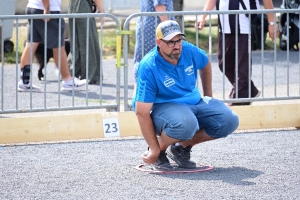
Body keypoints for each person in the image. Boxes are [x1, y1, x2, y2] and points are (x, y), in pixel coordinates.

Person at [132, 20, 239, 170]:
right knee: (187, 124)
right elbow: (141, 112)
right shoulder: (149, 66)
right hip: (162, 107)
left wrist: (208, 94)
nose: (176, 46)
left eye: (179, 40)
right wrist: (154, 148)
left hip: (193, 103)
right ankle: (157, 150)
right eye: (170, 42)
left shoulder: (188, 50)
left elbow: (205, 62)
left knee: (230, 120)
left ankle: (179, 148)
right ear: (158, 42)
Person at [196, 0, 279, 106]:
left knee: (242, 68)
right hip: (225, 28)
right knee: (224, 64)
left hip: (245, 28)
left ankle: (238, 101)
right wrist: (203, 16)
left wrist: (271, 23)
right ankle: (250, 90)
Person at [19, 0, 86, 92]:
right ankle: (68, 81)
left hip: (33, 7)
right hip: (47, 9)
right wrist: (47, 8)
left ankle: (24, 81)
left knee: (31, 44)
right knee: (58, 47)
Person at [132, 0, 174, 94]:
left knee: (145, 62)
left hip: (150, 27)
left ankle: (139, 97)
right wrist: (169, 29)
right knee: (153, 62)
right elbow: (159, 6)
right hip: (155, 29)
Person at [67, 0, 105, 85]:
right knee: (89, 42)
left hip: (73, 7)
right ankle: (91, 75)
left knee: (76, 43)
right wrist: (102, 12)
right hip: (83, 8)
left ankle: (73, 73)